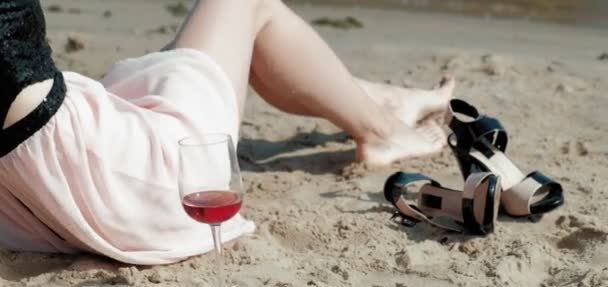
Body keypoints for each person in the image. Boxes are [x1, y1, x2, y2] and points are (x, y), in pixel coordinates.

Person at [0, 0, 454, 265]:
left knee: (178, 61)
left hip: (20, 210)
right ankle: (379, 125)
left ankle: (370, 100)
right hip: (136, 194)